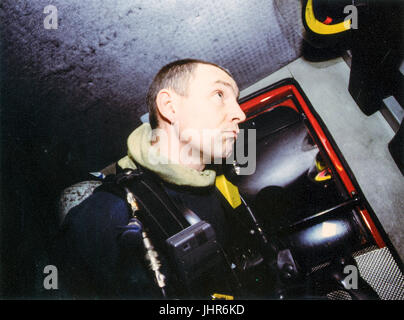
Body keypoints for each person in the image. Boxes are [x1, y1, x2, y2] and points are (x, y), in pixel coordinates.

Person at [54, 59, 248, 299]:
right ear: (169, 107)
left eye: (236, 101)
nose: (240, 114)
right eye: (219, 94)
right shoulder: (111, 211)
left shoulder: (218, 188)